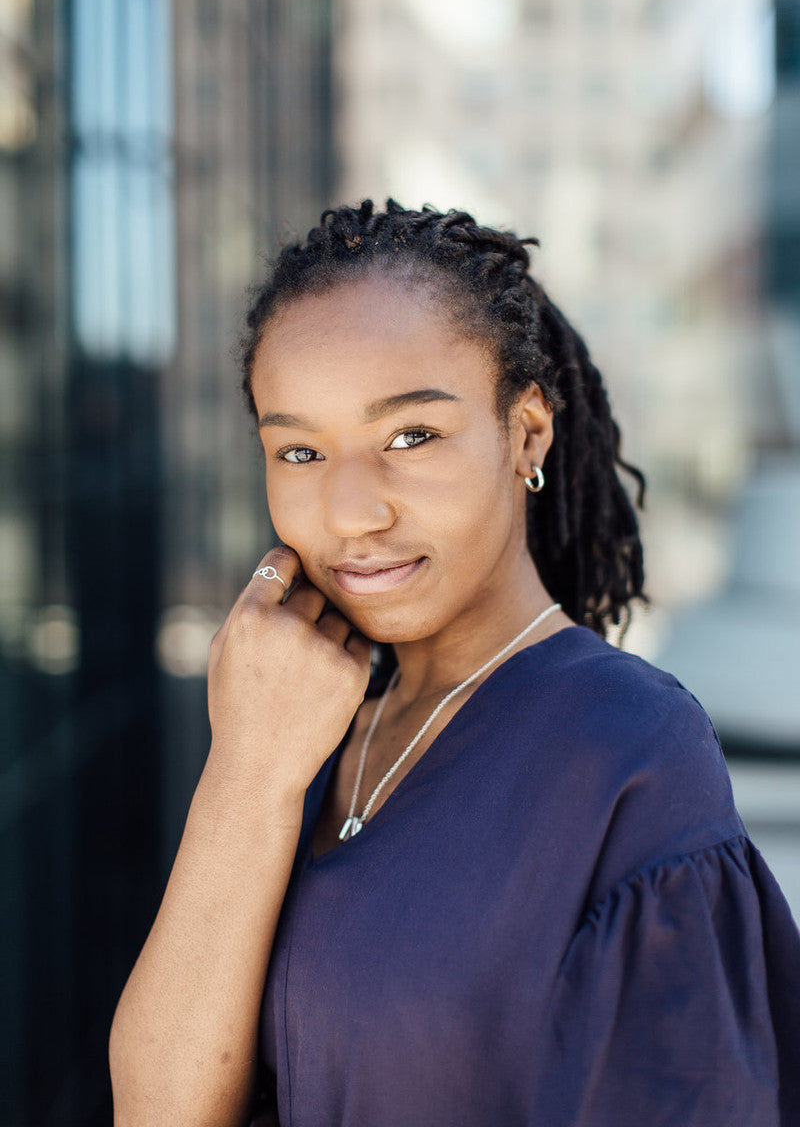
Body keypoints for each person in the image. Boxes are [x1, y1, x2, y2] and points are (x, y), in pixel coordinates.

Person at [109, 199, 800, 1127]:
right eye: (301, 450)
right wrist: (246, 772)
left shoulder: (627, 750)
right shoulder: (301, 725)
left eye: (411, 436)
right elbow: (158, 1110)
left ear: (527, 432)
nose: (351, 511)